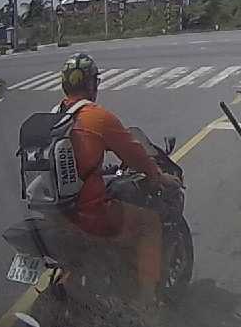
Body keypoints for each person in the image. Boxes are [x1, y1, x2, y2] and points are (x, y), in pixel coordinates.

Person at [56, 53, 181, 304]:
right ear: (91, 84)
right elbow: (135, 154)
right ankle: (146, 304)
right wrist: (158, 176)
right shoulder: (96, 116)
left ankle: (70, 283)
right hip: (89, 214)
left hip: (57, 213)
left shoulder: (56, 116)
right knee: (149, 223)